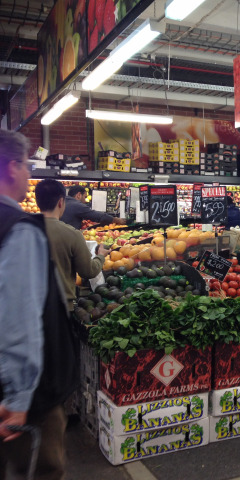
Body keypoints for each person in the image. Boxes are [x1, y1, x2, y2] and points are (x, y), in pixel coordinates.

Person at [0, 129, 77, 479]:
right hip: (26, 397)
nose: (28, 176)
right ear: (13, 168)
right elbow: (20, 318)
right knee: (41, 468)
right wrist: (18, 399)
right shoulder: (20, 229)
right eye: (27, 167)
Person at [35, 179, 110, 311]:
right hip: (60, 305)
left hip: (30, 305)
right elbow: (88, 271)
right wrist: (100, 256)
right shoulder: (72, 234)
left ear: (37, 202)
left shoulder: (24, 230)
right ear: (61, 202)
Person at [60, 185, 126, 230]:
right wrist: (117, 220)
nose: (85, 200)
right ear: (79, 195)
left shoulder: (62, 202)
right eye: (85, 197)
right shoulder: (77, 205)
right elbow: (97, 216)